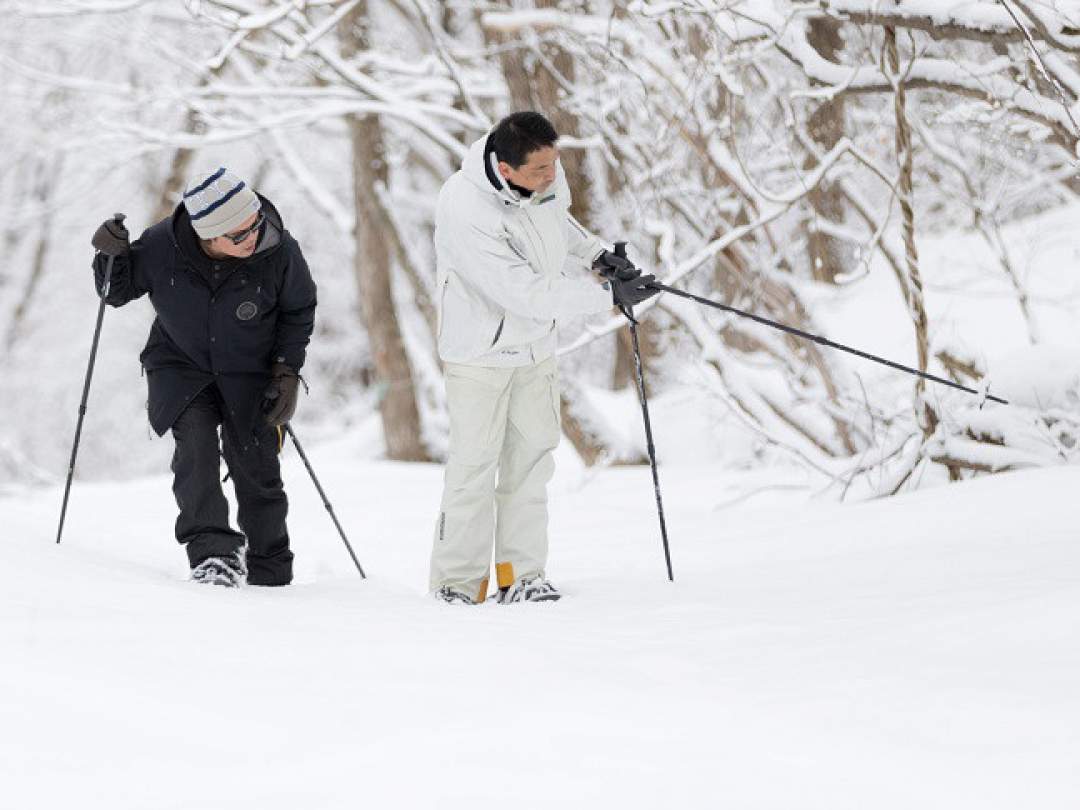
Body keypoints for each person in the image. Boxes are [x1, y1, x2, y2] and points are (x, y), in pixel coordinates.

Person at [429, 111, 659, 605]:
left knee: (531, 465)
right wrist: (608, 298)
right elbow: (523, 293)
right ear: (505, 168)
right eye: (539, 171)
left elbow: (560, 225)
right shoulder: (466, 208)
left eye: (554, 165)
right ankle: (458, 584)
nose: (551, 177)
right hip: (481, 355)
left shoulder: (544, 178)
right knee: (473, 469)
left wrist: (598, 258)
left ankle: (519, 575)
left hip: (536, 349)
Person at [90, 167, 317, 588]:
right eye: (237, 235)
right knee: (195, 450)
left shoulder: (280, 251)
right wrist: (109, 256)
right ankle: (214, 555)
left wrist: (286, 371)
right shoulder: (162, 246)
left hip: (251, 369)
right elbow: (115, 293)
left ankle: (270, 565)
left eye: (255, 225)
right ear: (207, 236)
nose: (251, 237)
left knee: (256, 462)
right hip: (180, 365)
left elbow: (299, 310)